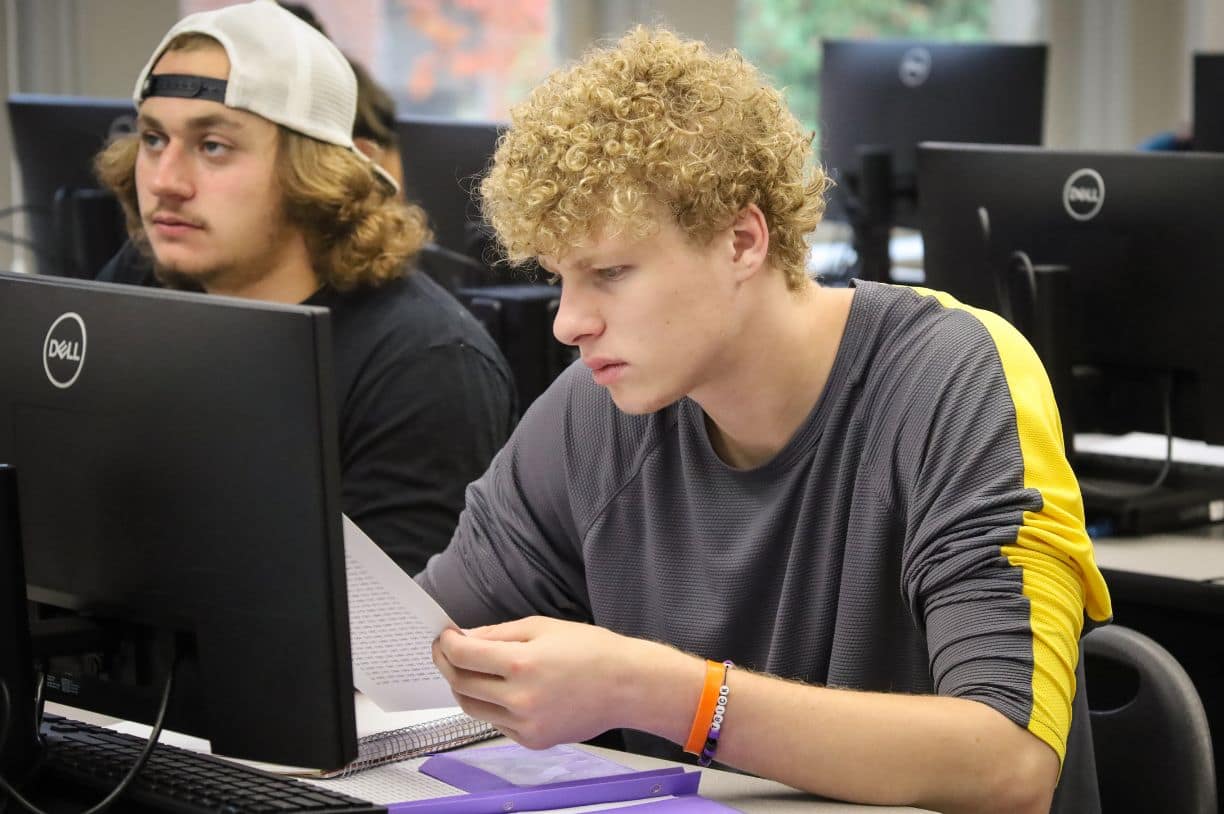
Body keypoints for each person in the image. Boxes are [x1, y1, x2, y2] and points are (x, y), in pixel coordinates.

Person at [421, 27, 1112, 814]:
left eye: (610, 273)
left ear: (743, 241)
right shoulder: (596, 409)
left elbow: (1010, 765)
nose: (568, 322)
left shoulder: (955, 376)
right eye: (561, 279)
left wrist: (655, 692)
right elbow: (418, 643)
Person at [92, 0, 515, 574]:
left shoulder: (424, 363)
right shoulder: (140, 285)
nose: (165, 182)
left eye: (213, 145)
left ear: (311, 173)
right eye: (152, 138)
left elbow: (387, 641)